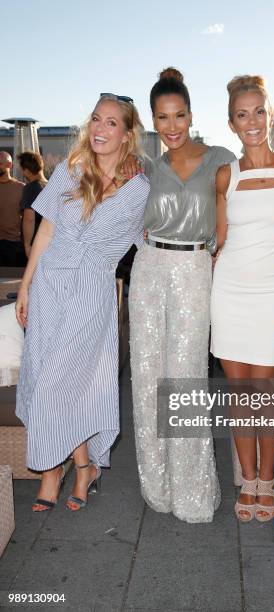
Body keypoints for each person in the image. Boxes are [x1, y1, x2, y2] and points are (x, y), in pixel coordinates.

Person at [15, 94, 149, 512]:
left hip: (92, 291)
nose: (99, 129)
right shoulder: (69, 172)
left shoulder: (140, 187)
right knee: (47, 378)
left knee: (64, 380)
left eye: (111, 123)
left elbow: (151, 244)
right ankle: (79, 466)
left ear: (127, 134)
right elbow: (46, 233)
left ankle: (57, 472)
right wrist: (25, 285)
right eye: (95, 119)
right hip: (50, 285)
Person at [129, 67, 235, 523]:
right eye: (161, 118)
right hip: (149, 268)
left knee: (186, 378)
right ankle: (157, 487)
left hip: (194, 268)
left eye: (178, 116)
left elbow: (226, 223)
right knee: (148, 378)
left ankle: (193, 491)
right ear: (153, 120)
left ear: (191, 115)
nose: (171, 126)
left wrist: (215, 262)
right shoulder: (148, 167)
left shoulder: (219, 159)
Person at [210, 75, 274, 522]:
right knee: (240, 396)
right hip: (229, 291)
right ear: (231, 123)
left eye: (259, 111)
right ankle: (249, 481)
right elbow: (219, 240)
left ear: (271, 114)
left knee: (265, 394)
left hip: (273, 293)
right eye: (242, 114)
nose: (252, 121)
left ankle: (270, 478)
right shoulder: (226, 174)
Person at [18, 151, 47, 257]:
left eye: (21, 169)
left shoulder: (31, 188)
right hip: (51, 243)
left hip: (37, 243)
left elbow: (29, 218)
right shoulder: (51, 186)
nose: (21, 172)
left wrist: (27, 245)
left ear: (26, 170)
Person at [0, 151, 25, 266]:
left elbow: (28, 218)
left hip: (14, 245)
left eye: (0, 163)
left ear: (9, 165)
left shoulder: (21, 188)